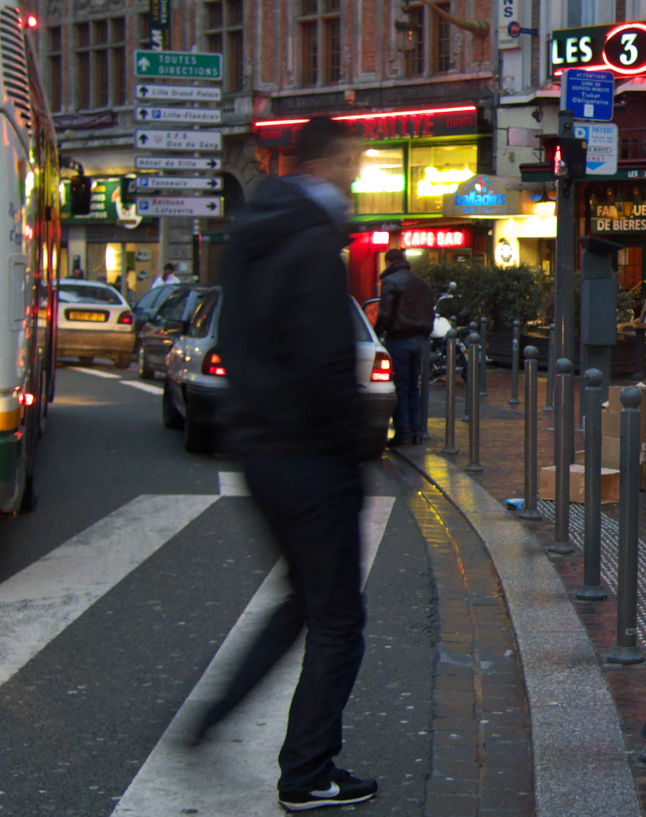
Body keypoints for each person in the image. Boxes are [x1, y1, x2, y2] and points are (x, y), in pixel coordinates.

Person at [199, 116, 378, 812]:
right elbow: (324, 359)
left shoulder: (256, 229)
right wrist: (357, 442)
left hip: (263, 447)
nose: (356, 178)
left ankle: (214, 715)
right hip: (311, 456)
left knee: (302, 600)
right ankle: (308, 771)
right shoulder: (309, 240)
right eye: (353, 164)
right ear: (328, 164)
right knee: (338, 618)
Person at [375, 249, 437, 446]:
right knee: (413, 387)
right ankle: (417, 431)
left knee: (400, 388)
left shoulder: (391, 281)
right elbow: (430, 311)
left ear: (389, 262)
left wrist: (377, 333)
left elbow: (385, 313)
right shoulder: (421, 283)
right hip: (420, 339)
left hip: (399, 339)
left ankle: (403, 433)